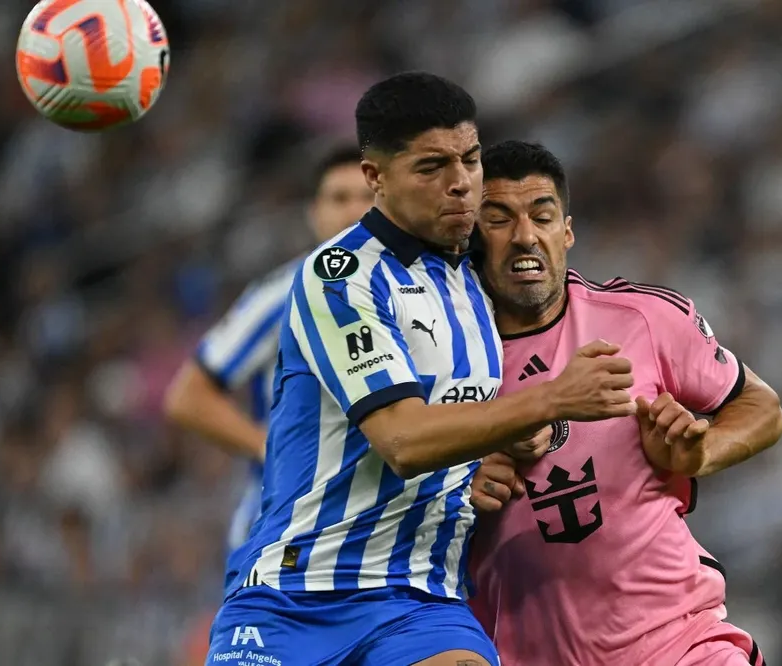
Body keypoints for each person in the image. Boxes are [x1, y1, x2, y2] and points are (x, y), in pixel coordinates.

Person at [204, 72, 640, 666]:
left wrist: (506, 445)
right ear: (375, 177)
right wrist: (551, 400)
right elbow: (403, 440)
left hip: (420, 603)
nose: (461, 183)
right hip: (297, 596)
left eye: (470, 159)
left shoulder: (482, 275)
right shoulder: (341, 276)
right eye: (432, 167)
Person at [467, 140, 782, 666]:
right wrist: (459, 482)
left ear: (566, 231)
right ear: (472, 235)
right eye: (499, 219)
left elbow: (762, 407)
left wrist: (699, 453)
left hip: (680, 642)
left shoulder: (639, 318)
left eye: (542, 216)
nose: (525, 236)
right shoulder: (447, 356)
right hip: (524, 650)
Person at [164, 145, 374, 590]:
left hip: (374, 532)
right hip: (282, 531)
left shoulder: (417, 292)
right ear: (313, 213)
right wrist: (268, 447)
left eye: (367, 197)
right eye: (339, 198)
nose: (354, 210)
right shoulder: (283, 296)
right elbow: (188, 395)